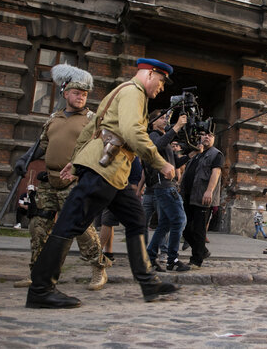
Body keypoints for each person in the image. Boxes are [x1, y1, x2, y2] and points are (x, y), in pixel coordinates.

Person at [24, 58, 178, 309]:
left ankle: (148, 281)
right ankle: (41, 289)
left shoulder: (118, 91)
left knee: (136, 219)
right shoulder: (134, 93)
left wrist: (74, 164)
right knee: (69, 223)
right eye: (161, 82)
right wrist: (160, 163)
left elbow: (90, 130)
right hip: (104, 170)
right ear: (150, 74)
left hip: (111, 172)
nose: (160, 88)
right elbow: (132, 131)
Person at [13, 64, 111, 291]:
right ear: (65, 93)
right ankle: (37, 273)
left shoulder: (93, 119)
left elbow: (101, 149)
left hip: (75, 182)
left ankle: (98, 268)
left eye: (84, 94)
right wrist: (24, 160)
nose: (81, 97)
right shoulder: (53, 119)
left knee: (81, 228)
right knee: (38, 227)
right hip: (49, 182)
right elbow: (41, 146)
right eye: (77, 93)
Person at [145, 110, 191, 272]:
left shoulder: (164, 137)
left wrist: (190, 154)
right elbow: (157, 146)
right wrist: (177, 126)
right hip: (164, 186)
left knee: (164, 224)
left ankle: (151, 255)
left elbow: (175, 164)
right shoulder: (152, 136)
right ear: (153, 122)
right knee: (179, 220)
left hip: (166, 186)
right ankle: (172, 259)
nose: (166, 120)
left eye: (167, 118)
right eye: (162, 118)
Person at [181, 128, 223, 267]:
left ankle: (196, 260)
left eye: (210, 135)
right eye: (204, 134)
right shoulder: (197, 154)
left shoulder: (216, 154)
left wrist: (209, 191)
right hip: (189, 196)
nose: (207, 137)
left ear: (214, 138)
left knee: (198, 230)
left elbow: (215, 173)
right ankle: (202, 250)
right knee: (185, 228)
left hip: (202, 197)